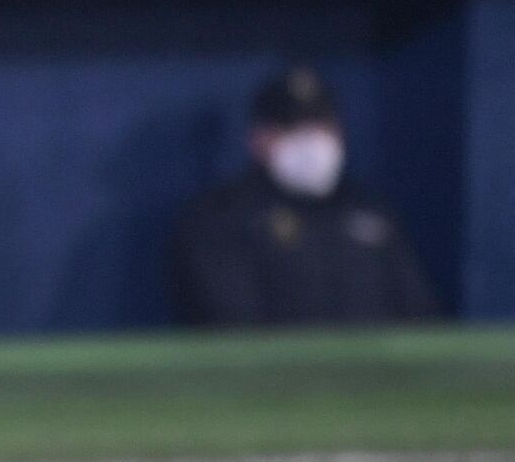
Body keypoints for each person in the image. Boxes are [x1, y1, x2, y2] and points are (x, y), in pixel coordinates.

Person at [171, 65, 438, 325]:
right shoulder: (222, 219)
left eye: (320, 126)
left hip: (372, 368)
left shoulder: (371, 211)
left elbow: (419, 314)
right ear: (257, 139)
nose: (310, 141)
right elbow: (228, 323)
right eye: (292, 128)